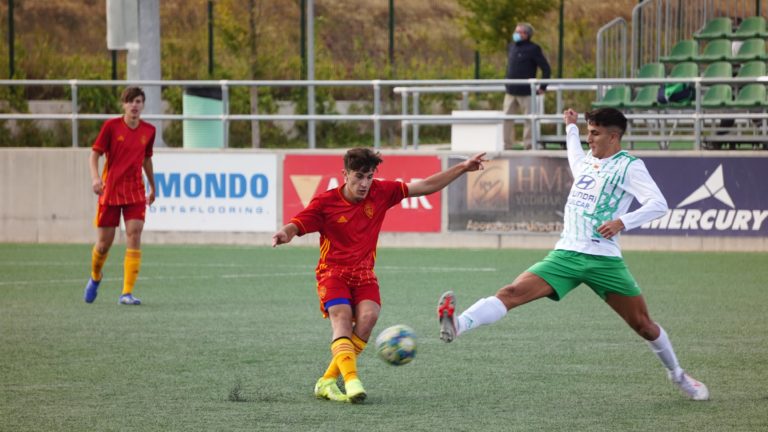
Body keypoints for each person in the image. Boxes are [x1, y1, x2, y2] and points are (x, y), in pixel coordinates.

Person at [437, 107, 709, 401]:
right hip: (566, 253)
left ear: (614, 137)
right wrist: (570, 127)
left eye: (595, 133)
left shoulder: (629, 166)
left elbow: (659, 203)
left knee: (644, 325)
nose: (589, 139)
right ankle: (458, 325)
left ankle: (678, 375)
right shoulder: (588, 161)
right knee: (511, 291)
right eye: (587, 132)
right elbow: (574, 155)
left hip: (603, 259)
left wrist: (622, 221)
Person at [273, 148, 485, 403]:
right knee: (342, 318)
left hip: (364, 273)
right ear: (345, 174)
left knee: (369, 317)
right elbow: (297, 224)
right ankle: (352, 381)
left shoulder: (382, 192)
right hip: (333, 273)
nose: (364, 184)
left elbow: (427, 186)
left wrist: (462, 167)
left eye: (369, 177)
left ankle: (327, 380)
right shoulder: (325, 203)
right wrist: (285, 233)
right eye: (359, 176)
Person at [83, 86, 156, 306]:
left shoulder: (149, 131)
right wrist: (96, 178)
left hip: (135, 191)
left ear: (143, 105)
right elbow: (94, 155)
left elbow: (146, 160)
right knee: (104, 244)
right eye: (131, 101)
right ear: (124, 104)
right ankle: (96, 276)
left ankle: (126, 293)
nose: (135, 105)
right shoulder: (111, 127)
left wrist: (153, 186)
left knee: (134, 233)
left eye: (139, 101)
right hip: (111, 191)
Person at [503, 23, 551, 150]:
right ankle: (506, 146)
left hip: (526, 92)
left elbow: (546, 69)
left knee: (529, 120)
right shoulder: (512, 47)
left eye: (518, 32)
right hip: (510, 91)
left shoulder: (533, 49)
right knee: (506, 119)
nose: (515, 34)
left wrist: (543, 86)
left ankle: (528, 146)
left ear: (526, 34)